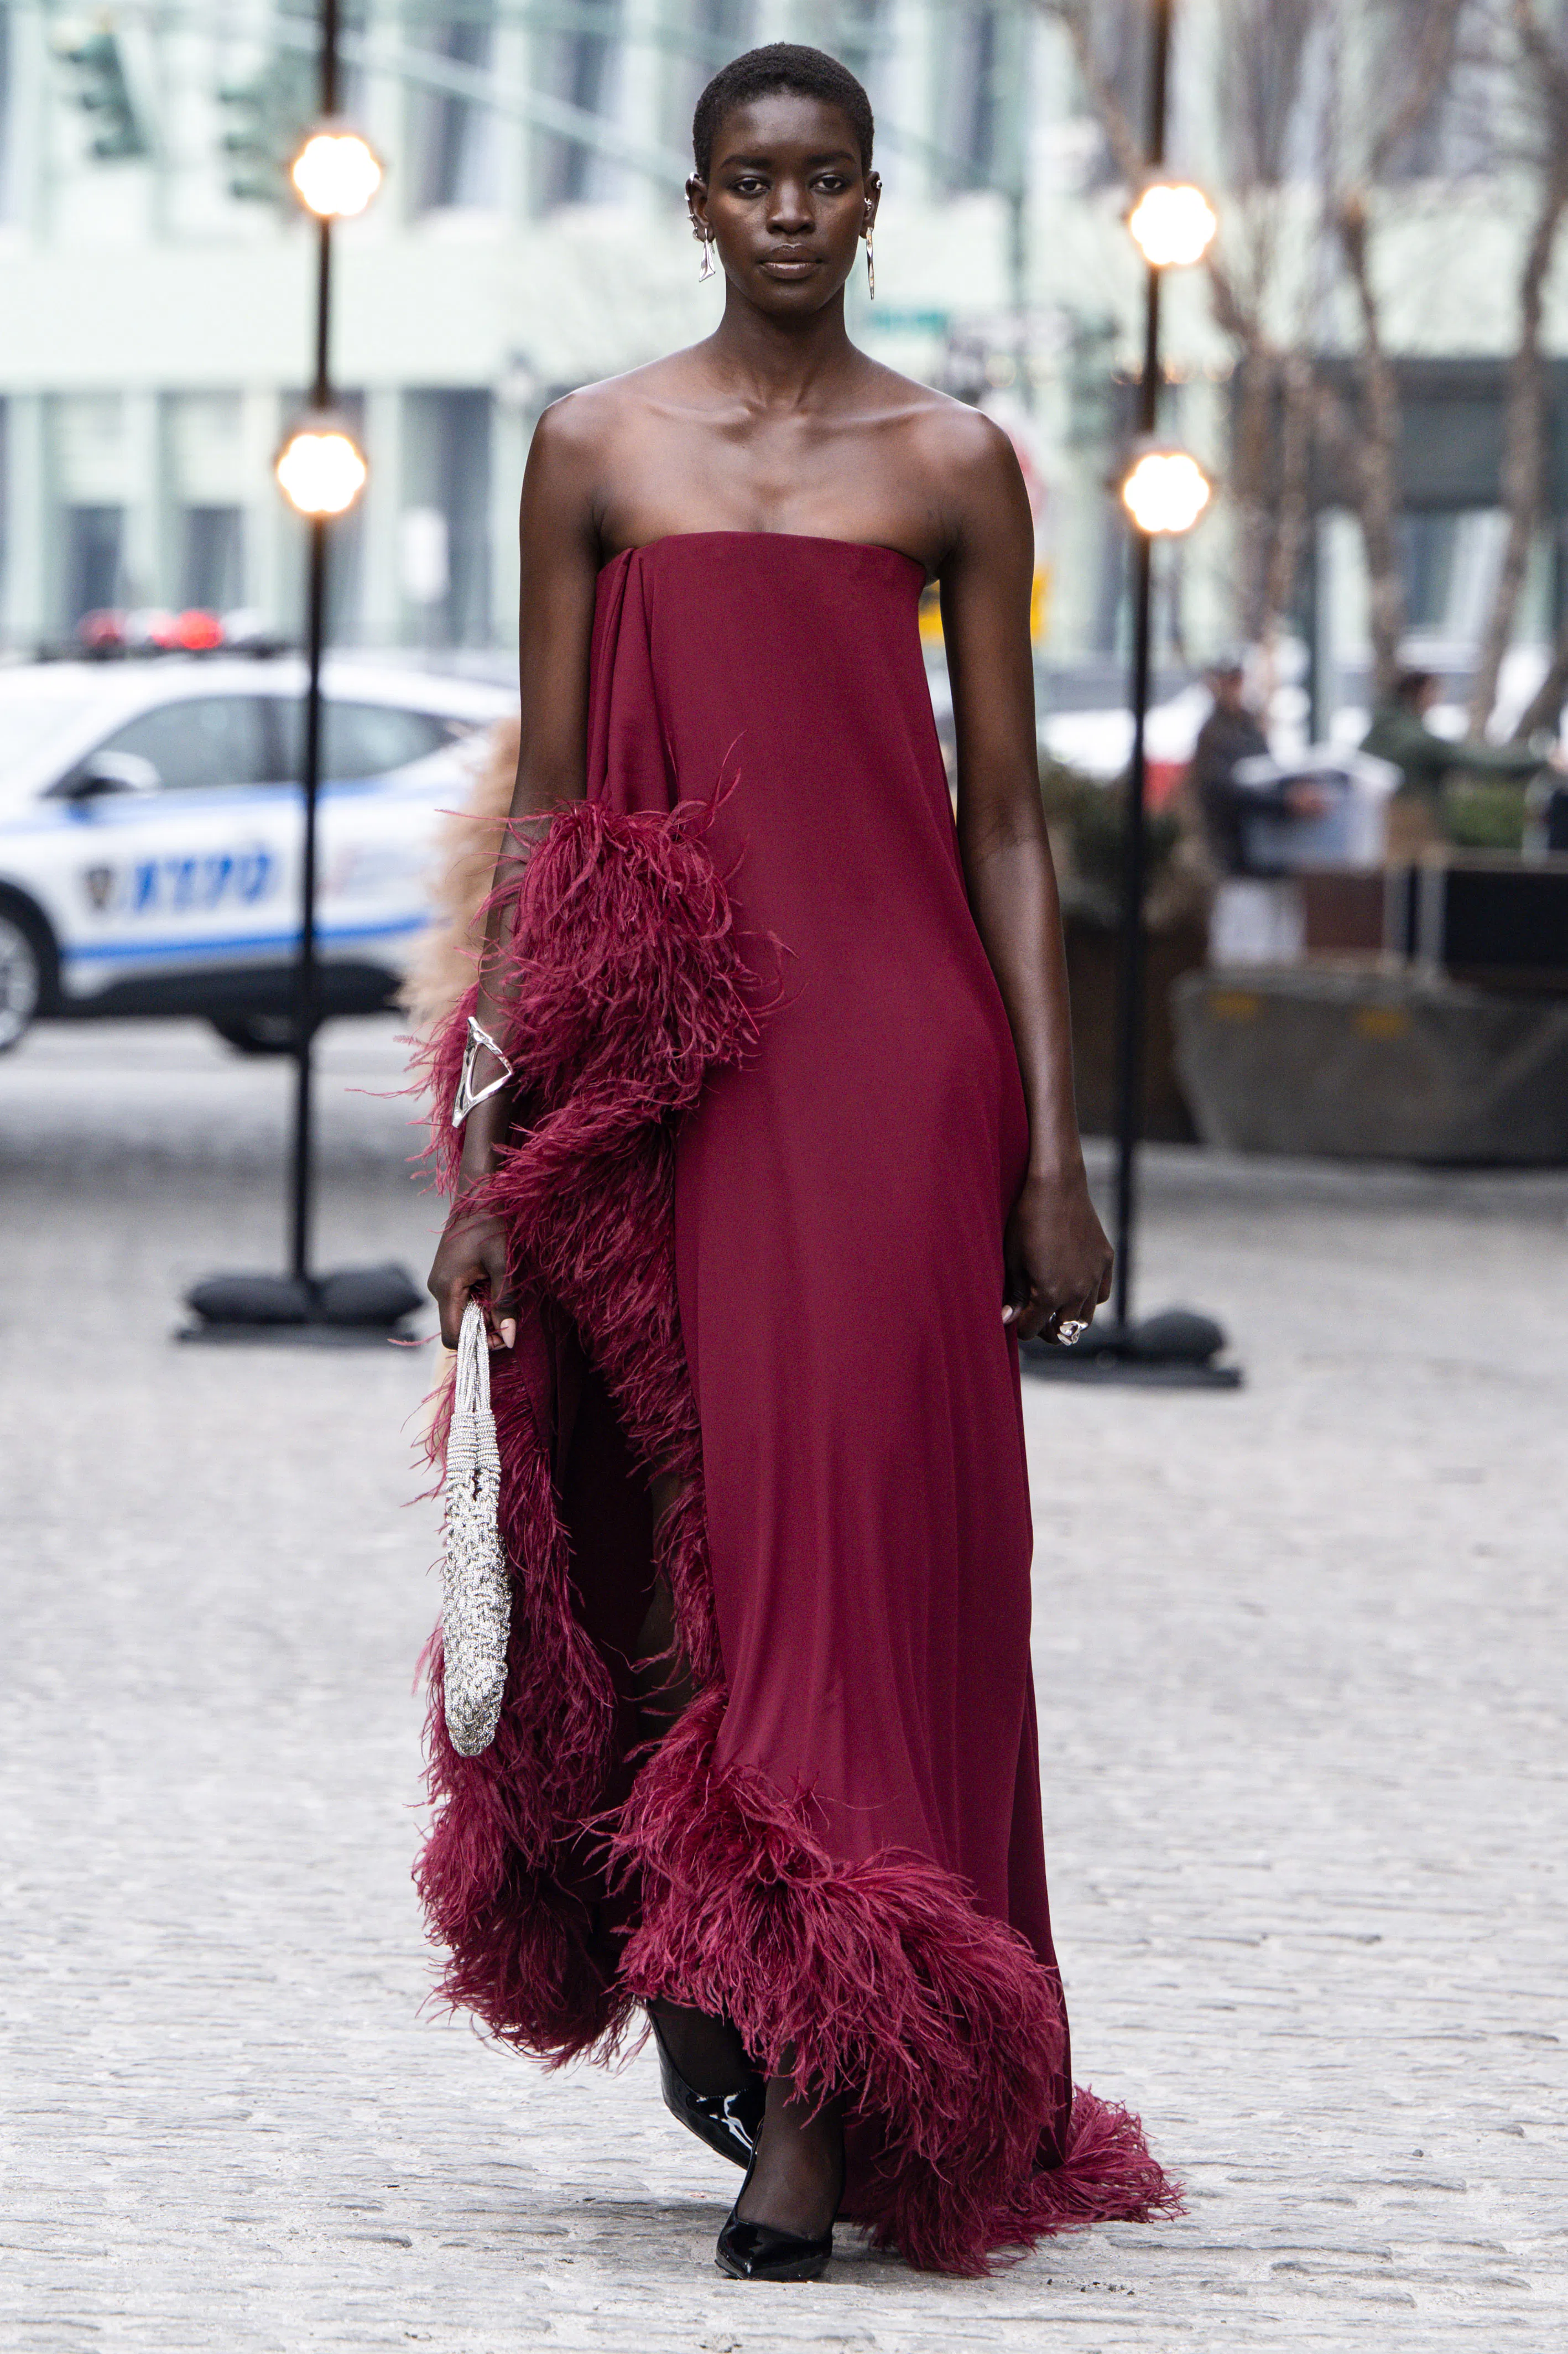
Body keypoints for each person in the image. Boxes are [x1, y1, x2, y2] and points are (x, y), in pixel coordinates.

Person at [419, 42, 1178, 2284]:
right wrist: (490, 1130)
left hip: (892, 1071)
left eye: (821, 177)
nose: (782, 209)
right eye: (747, 176)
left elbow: (1008, 825)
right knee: (678, 1545)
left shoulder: (950, 463)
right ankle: (722, 1977)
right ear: (695, 202)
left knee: (850, 1547)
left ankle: (832, 2098)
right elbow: (550, 810)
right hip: (667, 1068)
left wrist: (1050, 1148)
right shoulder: (593, 447)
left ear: (867, 205)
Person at [1362, 665, 1543, 847]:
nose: (1438, 699)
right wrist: (1538, 758)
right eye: (1434, 691)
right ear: (1419, 692)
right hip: (1408, 833)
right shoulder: (1415, 739)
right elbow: (1476, 759)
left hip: (1372, 833)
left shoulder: (1378, 731)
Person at [1190, 657, 1325, 876]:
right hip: (1231, 854)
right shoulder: (1212, 734)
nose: (1236, 689)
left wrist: (1294, 790)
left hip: (1265, 849)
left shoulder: (1249, 726)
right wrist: (1286, 802)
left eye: (1238, 681)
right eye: (1230, 682)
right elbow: (1225, 791)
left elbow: (1267, 773)